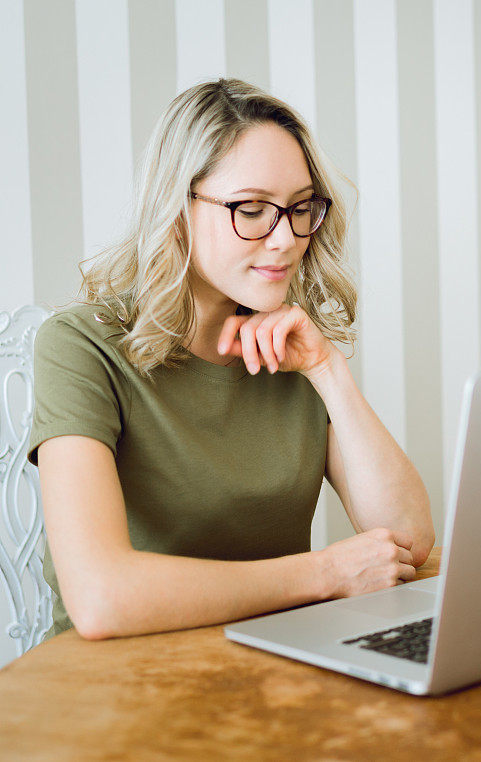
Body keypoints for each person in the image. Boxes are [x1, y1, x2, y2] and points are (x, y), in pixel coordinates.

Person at [27, 78, 434, 642]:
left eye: (300, 208)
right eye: (251, 209)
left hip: (272, 667)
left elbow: (408, 539)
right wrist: (325, 573)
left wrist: (326, 371)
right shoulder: (80, 346)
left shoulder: (289, 350)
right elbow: (101, 599)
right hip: (119, 683)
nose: (286, 238)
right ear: (177, 208)